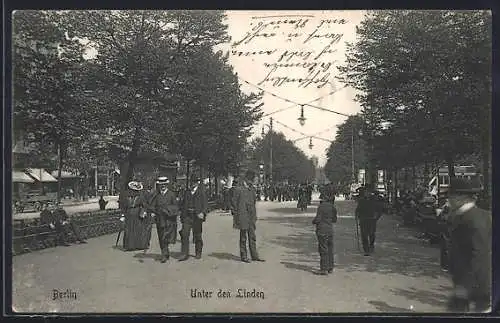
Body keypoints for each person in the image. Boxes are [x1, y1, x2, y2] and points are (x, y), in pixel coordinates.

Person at [446, 177, 491, 312]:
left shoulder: (474, 219)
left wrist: (465, 285)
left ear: (462, 197)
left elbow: (479, 254)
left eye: (451, 196)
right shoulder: (464, 215)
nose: (449, 199)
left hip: (474, 283)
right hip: (465, 281)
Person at [231, 170, 265, 263]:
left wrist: (254, 216)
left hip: (251, 216)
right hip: (242, 216)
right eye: (253, 179)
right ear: (249, 179)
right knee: (243, 237)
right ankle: (244, 256)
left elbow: (253, 203)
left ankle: (254, 255)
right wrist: (236, 216)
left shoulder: (252, 189)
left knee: (252, 236)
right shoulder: (239, 189)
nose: (254, 181)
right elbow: (234, 203)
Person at [149, 176, 179, 263]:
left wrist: (167, 210)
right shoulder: (157, 195)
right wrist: (153, 212)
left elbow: (176, 207)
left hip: (169, 220)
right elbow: (153, 206)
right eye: (161, 185)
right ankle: (164, 253)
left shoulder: (171, 194)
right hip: (160, 220)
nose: (162, 186)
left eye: (164, 185)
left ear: (166, 185)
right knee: (161, 236)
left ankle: (165, 253)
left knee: (166, 237)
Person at [179, 175, 209, 261]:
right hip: (187, 216)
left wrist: (203, 213)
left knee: (197, 235)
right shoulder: (187, 192)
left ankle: (198, 252)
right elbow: (183, 204)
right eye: (192, 182)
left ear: (197, 183)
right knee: (184, 234)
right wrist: (182, 215)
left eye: (195, 182)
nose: (193, 184)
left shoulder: (201, 192)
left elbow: (206, 205)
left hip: (197, 217)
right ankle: (184, 254)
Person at [121, 181, 152, 251]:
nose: (133, 192)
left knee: (138, 230)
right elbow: (123, 207)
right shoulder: (126, 197)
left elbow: (144, 206)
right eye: (132, 190)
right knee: (128, 230)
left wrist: (143, 212)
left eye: (135, 191)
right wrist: (122, 215)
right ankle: (129, 246)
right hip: (129, 215)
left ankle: (139, 245)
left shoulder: (140, 197)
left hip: (137, 215)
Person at [312, 192, 337, 275]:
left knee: (323, 249)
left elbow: (318, 219)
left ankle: (323, 269)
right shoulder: (333, 207)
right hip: (330, 230)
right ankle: (330, 267)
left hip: (322, 230)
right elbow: (334, 220)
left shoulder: (321, 207)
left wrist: (314, 221)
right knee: (330, 249)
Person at [355, 185, 382, 256]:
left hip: (371, 220)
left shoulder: (374, 200)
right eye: (366, 192)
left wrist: (376, 218)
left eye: (368, 192)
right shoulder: (361, 200)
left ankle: (371, 245)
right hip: (363, 219)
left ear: (370, 192)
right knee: (364, 235)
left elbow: (379, 210)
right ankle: (366, 249)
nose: (367, 193)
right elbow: (358, 209)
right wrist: (357, 214)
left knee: (371, 234)